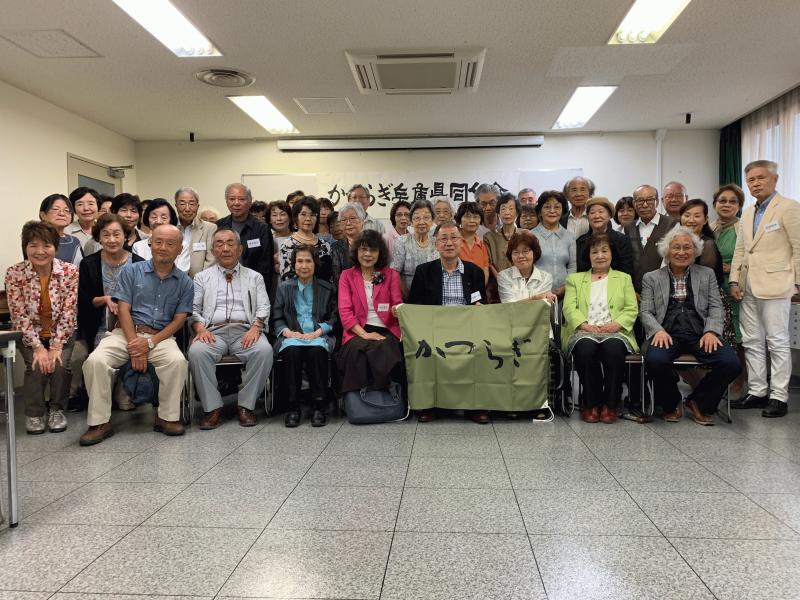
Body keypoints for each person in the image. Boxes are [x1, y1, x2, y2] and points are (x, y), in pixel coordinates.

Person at [80, 225, 193, 445]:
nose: (163, 247)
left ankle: (166, 417)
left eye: (170, 243)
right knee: (96, 361)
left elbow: (179, 320)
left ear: (180, 249)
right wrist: (135, 345)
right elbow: (123, 309)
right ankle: (99, 422)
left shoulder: (185, 283)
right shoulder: (131, 271)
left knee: (177, 362)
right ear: (150, 244)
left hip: (160, 337)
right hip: (125, 333)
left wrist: (149, 344)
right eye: (158, 242)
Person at [640, 226, 741, 425]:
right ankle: (671, 403)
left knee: (731, 363)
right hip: (667, 332)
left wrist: (711, 331)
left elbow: (716, 307)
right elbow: (645, 311)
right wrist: (657, 330)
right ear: (667, 251)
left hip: (700, 333)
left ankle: (699, 402)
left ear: (695, 251)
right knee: (655, 360)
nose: (681, 252)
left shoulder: (707, 274)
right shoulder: (651, 277)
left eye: (687, 247)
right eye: (676, 247)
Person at [730, 160, 800, 418]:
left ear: (775, 179)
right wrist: (734, 280)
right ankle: (757, 391)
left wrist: (798, 282)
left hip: (777, 284)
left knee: (777, 340)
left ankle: (779, 396)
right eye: (751, 179)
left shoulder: (789, 208)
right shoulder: (748, 212)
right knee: (751, 340)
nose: (756, 183)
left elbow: (798, 246)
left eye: (761, 178)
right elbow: (740, 250)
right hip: (747, 285)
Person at [188, 229, 273, 429]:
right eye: (219, 244)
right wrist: (200, 328)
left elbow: (264, 306)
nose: (225, 248)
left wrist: (256, 327)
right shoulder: (201, 277)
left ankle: (246, 405)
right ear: (213, 250)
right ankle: (212, 407)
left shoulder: (254, 277)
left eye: (230, 243)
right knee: (197, 352)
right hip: (212, 332)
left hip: (245, 331)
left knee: (264, 351)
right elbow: (192, 309)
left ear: (240, 249)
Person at [408, 221, 487, 423]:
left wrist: (479, 308)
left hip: (468, 330)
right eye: (444, 239)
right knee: (425, 351)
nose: (449, 243)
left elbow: (481, 304)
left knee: (481, 350)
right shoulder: (424, 272)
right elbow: (415, 307)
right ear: (436, 244)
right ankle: (428, 404)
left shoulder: (475, 272)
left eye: (454, 238)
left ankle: (475, 406)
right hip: (434, 330)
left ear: (461, 242)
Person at [5, 221, 78, 434]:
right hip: (30, 333)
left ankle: (57, 410)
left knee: (60, 365)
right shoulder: (14, 273)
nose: (40, 251)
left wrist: (55, 346)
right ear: (25, 247)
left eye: (46, 245)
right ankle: (34, 413)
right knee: (36, 366)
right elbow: (19, 315)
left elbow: (69, 311)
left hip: (62, 331)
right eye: (33, 245)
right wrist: (38, 348)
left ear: (55, 247)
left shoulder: (70, 271)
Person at [563, 233, 638, 424]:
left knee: (613, 349)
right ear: (588, 256)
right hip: (583, 330)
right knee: (586, 349)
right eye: (594, 252)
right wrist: (584, 325)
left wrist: (616, 324)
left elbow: (631, 308)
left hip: (616, 331)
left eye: (605, 251)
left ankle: (611, 404)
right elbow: (569, 308)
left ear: (612, 253)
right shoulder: (575, 279)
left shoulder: (624, 279)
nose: (600, 256)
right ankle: (591, 402)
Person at [272, 245, 338, 427]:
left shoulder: (327, 288)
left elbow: (334, 317)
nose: (304, 265)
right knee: (292, 351)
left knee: (316, 351)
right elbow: (276, 317)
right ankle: (293, 407)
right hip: (292, 336)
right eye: (299, 261)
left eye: (308, 261)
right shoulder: (284, 288)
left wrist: (318, 332)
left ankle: (319, 406)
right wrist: (288, 332)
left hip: (318, 335)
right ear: (294, 265)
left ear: (315, 264)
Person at [337, 230, 404, 395]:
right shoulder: (347, 276)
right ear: (356, 251)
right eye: (363, 249)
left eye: (373, 250)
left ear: (380, 253)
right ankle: (356, 399)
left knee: (385, 347)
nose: (368, 254)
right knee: (356, 350)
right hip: (357, 330)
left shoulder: (391, 275)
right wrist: (365, 334)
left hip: (387, 329)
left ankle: (384, 396)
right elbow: (345, 311)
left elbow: (397, 304)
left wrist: (396, 310)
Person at [77, 214, 144, 359]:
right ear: (99, 238)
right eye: (106, 235)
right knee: (97, 360)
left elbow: (144, 301)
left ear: (125, 236)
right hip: (99, 328)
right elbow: (82, 302)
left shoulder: (139, 264)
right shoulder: (88, 264)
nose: (112, 240)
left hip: (134, 328)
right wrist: (104, 299)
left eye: (116, 234)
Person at [711, 184, 747, 398]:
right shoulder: (710, 227)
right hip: (713, 288)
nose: (727, 205)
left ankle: (739, 380)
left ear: (739, 206)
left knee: (738, 334)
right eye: (722, 201)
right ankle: (719, 380)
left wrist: (731, 267)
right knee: (718, 332)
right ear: (715, 204)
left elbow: (752, 257)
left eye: (733, 201)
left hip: (734, 287)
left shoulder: (744, 228)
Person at [216, 183, 274, 296]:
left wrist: (259, 292)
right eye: (232, 199)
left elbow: (266, 266)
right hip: (222, 287)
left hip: (252, 288)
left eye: (241, 199)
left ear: (250, 201)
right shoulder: (219, 226)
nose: (236, 203)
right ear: (226, 201)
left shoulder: (262, 228)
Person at [624, 184, 676, 293]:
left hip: (662, 289)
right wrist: (630, 289)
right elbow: (627, 261)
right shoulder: (629, 227)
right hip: (635, 291)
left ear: (657, 201)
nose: (645, 205)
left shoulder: (671, 224)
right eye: (640, 201)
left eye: (650, 200)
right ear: (634, 203)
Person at [532, 191, 576, 298]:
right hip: (537, 294)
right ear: (540, 211)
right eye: (547, 207)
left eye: (557, 207)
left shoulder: (569, 236)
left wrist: (566, 287)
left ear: (562, 211)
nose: (552, 211)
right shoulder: (530, 235)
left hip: (565, 294)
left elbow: (572, 266)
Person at [575, 197, 634, 276]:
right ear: (588, 217)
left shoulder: (622, 240)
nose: (597, 216)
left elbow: (626, 270)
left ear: (609, 215)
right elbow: (578, 270)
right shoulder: (580, 241)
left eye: (601, 212)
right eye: (592, 213)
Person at [279, 196, 333, 282]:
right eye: (303, 214)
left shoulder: (325, 245)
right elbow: (286, 277)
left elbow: (329, 277)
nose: (308, 219)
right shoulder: (287, 245)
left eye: (312, 215)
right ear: (296, 218)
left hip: (322, 290)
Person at [391, 199, 438, 295]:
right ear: (411, 221)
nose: (422, 222)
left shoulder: (437, 242)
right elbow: (395, 272)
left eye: (426, 217)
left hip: (434, 296)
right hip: (407, 296)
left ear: (432, 220)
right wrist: (407, 296)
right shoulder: (402, 242)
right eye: (417, 218)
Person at [497, 230, 554, 305]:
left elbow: (542, 306)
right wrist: (535, 298)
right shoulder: (504, 276)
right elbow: (509, 306)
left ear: (534, 253)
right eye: (516, 252)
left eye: (525, 251)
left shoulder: (546, 278)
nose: (520, 256)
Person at [174, 186, 217, 277]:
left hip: (201, 281)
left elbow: (211, 260)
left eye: (192, 204)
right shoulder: (169, 228)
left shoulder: (210, 228)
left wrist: (200, 281)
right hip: (173, 281)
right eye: (182, 204)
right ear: (176, 206)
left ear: (197, 206)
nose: (187, 209)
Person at [484, 193, 519, 303]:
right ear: (498, 213)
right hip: (496, 289)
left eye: (511, 209)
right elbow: (489, 263)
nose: (507, 212)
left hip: (521, 287)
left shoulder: (525, 234)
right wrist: (502, 280)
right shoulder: (489, 237)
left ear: (517, 213)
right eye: (503, 209)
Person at [679, 199, 723, 284]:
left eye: (697, 216)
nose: (691, 220)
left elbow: (704, 279)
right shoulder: (677, 240)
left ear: (705, 220)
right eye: (687, 215)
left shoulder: (708, 244)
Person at [39, 194, 83, 265]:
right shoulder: (36, 239)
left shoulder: (75, 241)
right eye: (55, 209)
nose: (62, 214)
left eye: (66, 210)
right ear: (43, 215)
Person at [331, 202, 366, 286]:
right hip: (345, 290)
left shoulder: (374, 243)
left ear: (362, 221)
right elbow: (336, 277)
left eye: (352, 218)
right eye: (344, 220)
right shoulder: (336, 247)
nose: (348, 223)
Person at [455, 201, 489, 284]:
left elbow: (485, 269)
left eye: (476, 217)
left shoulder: (482, 245)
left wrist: (480, 288)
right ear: (460, 219)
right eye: (467, 216)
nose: (472, 220)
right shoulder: (453, 241)